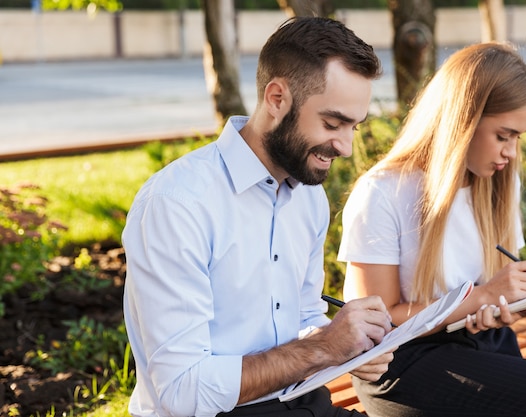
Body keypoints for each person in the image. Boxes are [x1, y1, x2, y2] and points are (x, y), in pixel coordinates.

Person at [122, 16, 395, 417]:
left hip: (300, 400)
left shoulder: (308, 198)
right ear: (277, 98)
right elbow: (181, 393)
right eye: (332, 123)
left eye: (353, 126)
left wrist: (349, 347)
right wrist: (323, 348)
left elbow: (301, 317)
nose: (346, 147)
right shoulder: (177, 204)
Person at [338, 42, 526, 417]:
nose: (512, 152)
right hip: (403, 363)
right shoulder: (384, 192)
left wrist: (510, 305)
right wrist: (480, 298)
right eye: (503, 136)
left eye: (518, 137)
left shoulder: (497, 187)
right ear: (463, 122)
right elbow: (376, 327)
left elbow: (489, 296)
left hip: (480, 342)